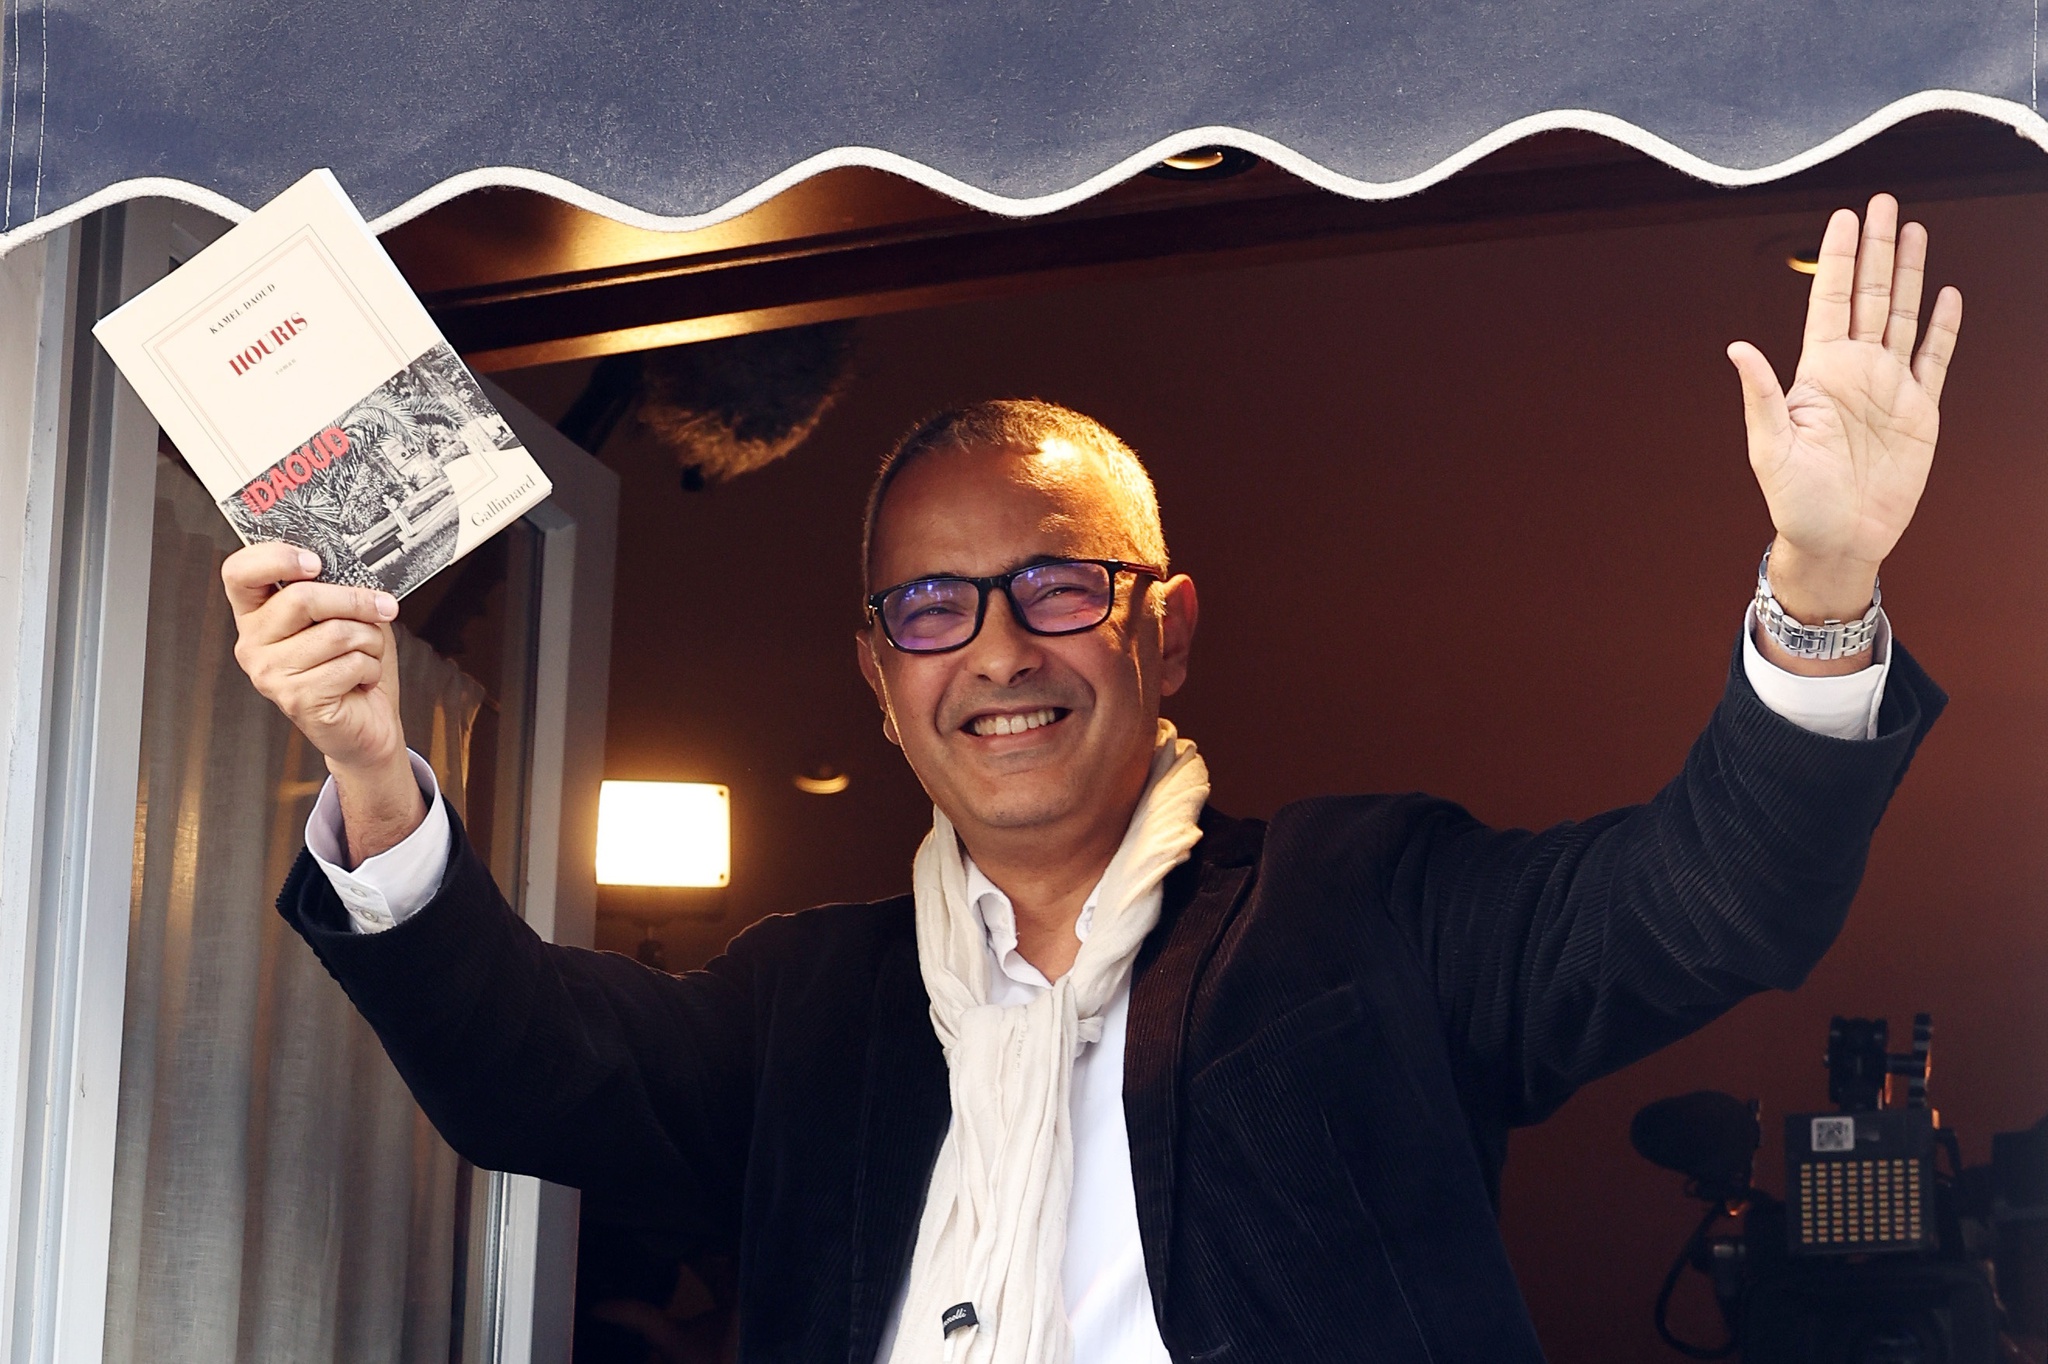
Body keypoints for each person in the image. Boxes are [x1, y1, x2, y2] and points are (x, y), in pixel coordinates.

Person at [223, 194, 1959, 1363]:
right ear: (881, 686)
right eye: (931, 608)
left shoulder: (1370, 913)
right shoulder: (803, 1007)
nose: (996, 650)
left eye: (1058, 587)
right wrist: (375, 767)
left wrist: (1820, 584)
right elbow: (531, 1073)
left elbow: (1704, 903)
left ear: (1167, 632)